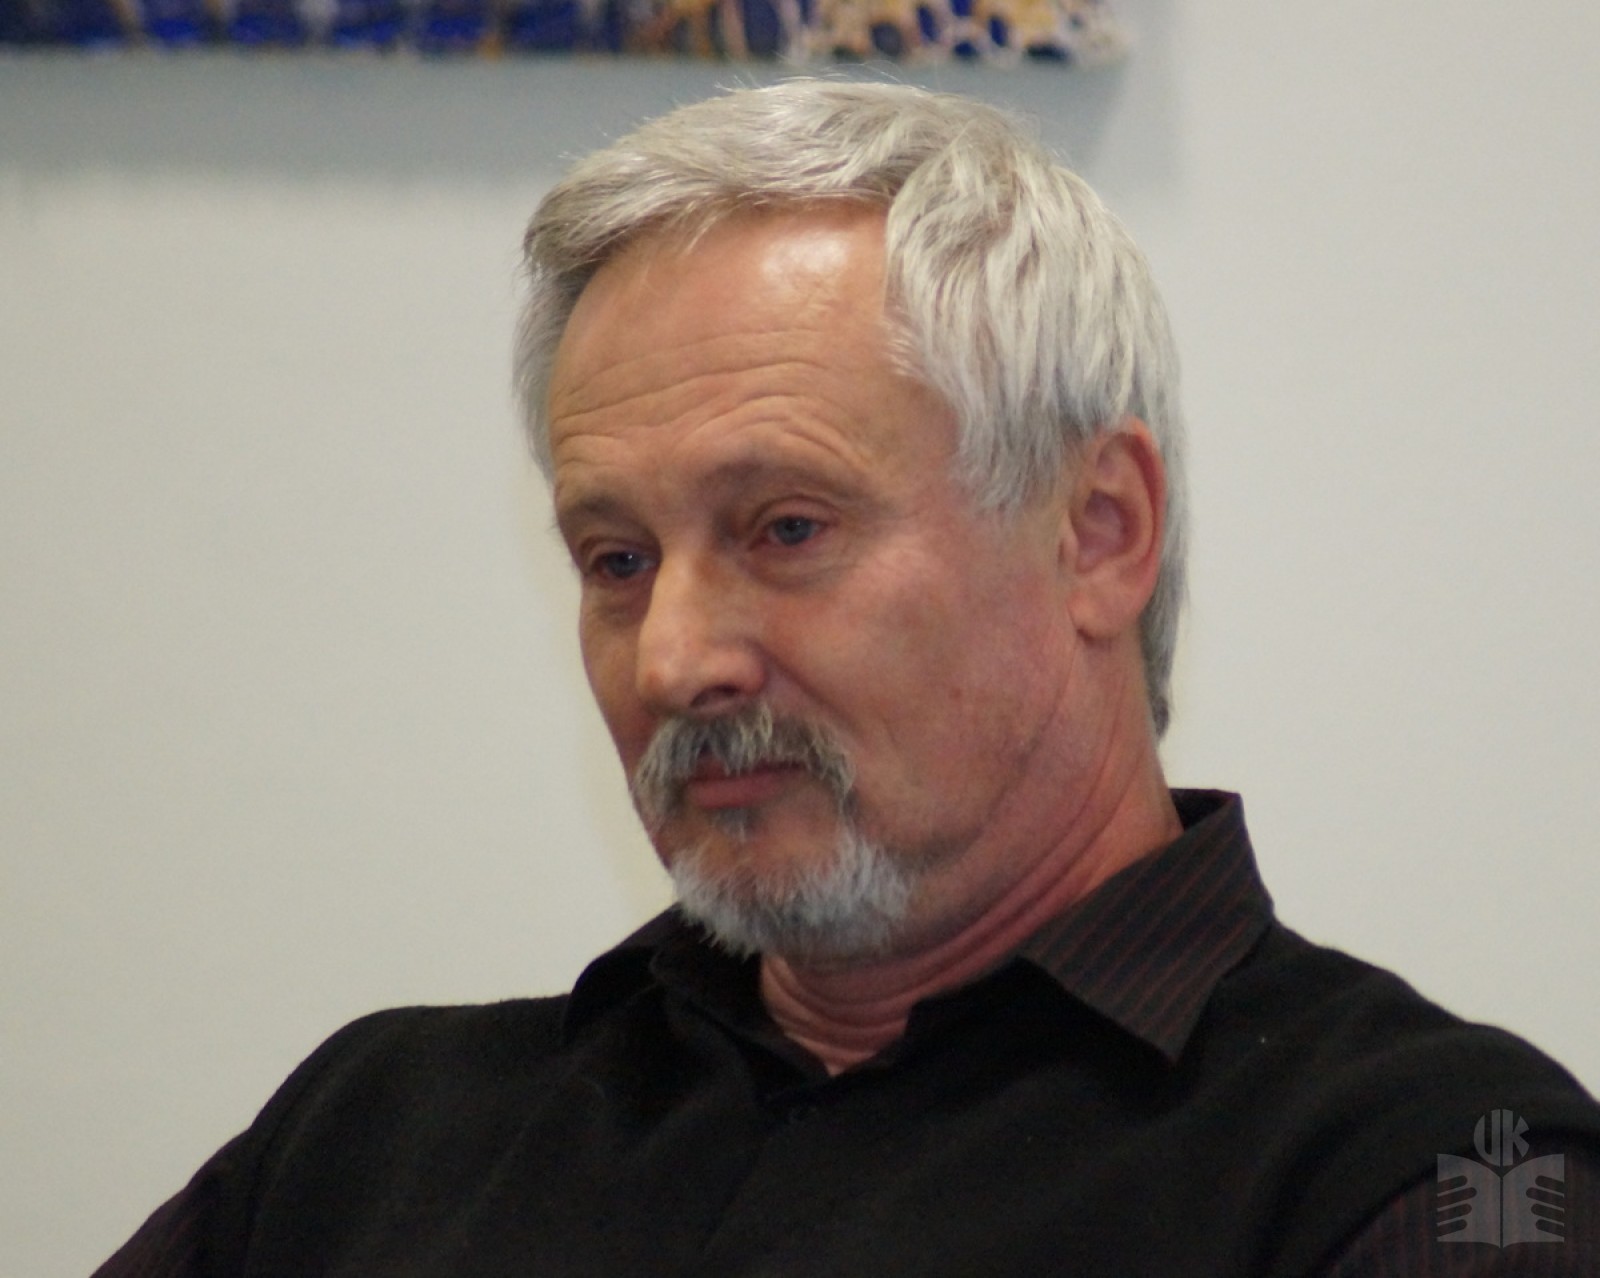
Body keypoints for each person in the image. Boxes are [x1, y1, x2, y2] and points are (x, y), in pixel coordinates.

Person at [94, 80, 1600, 1277]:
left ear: (1098, 532)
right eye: (616, 559)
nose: (676, 658)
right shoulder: (372, 1136)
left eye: (787, 529)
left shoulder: (1447, 1172)